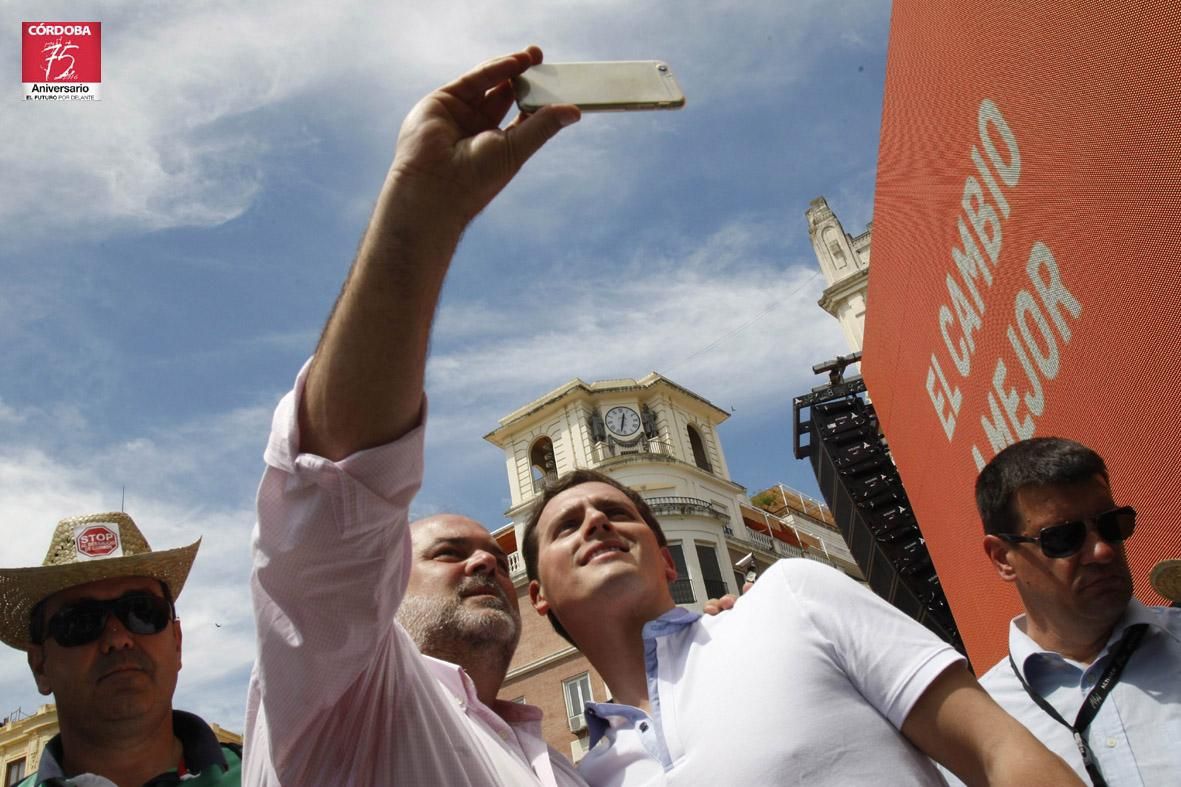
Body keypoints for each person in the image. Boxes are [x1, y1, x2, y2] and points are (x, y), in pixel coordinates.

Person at [243, 47, 587, 785]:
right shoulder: (346, 692)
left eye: (494, 553)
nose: (486, 559)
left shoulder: (562, 761)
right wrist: (421, 213)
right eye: (445, 552)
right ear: (378, 585)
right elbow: (336, 487)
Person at [523, 468, 1084, 785]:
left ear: (667, 562)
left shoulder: (792, 597)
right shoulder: (585, 779)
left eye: (617, 513)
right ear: (538, 597)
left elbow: (1000, 751)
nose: (596, 521)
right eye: (567, 526)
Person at [970, 436, 1181, 786]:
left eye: (1112, 525)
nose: (1102, 551)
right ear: (1003, 558)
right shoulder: (978, 724)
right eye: (1064, 538)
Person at [0, 512, 240, 786]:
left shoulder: (272, 774)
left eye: (142, 612)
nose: (118, 639)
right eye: (81, 622)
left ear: (177, 642)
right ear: (40, 665)